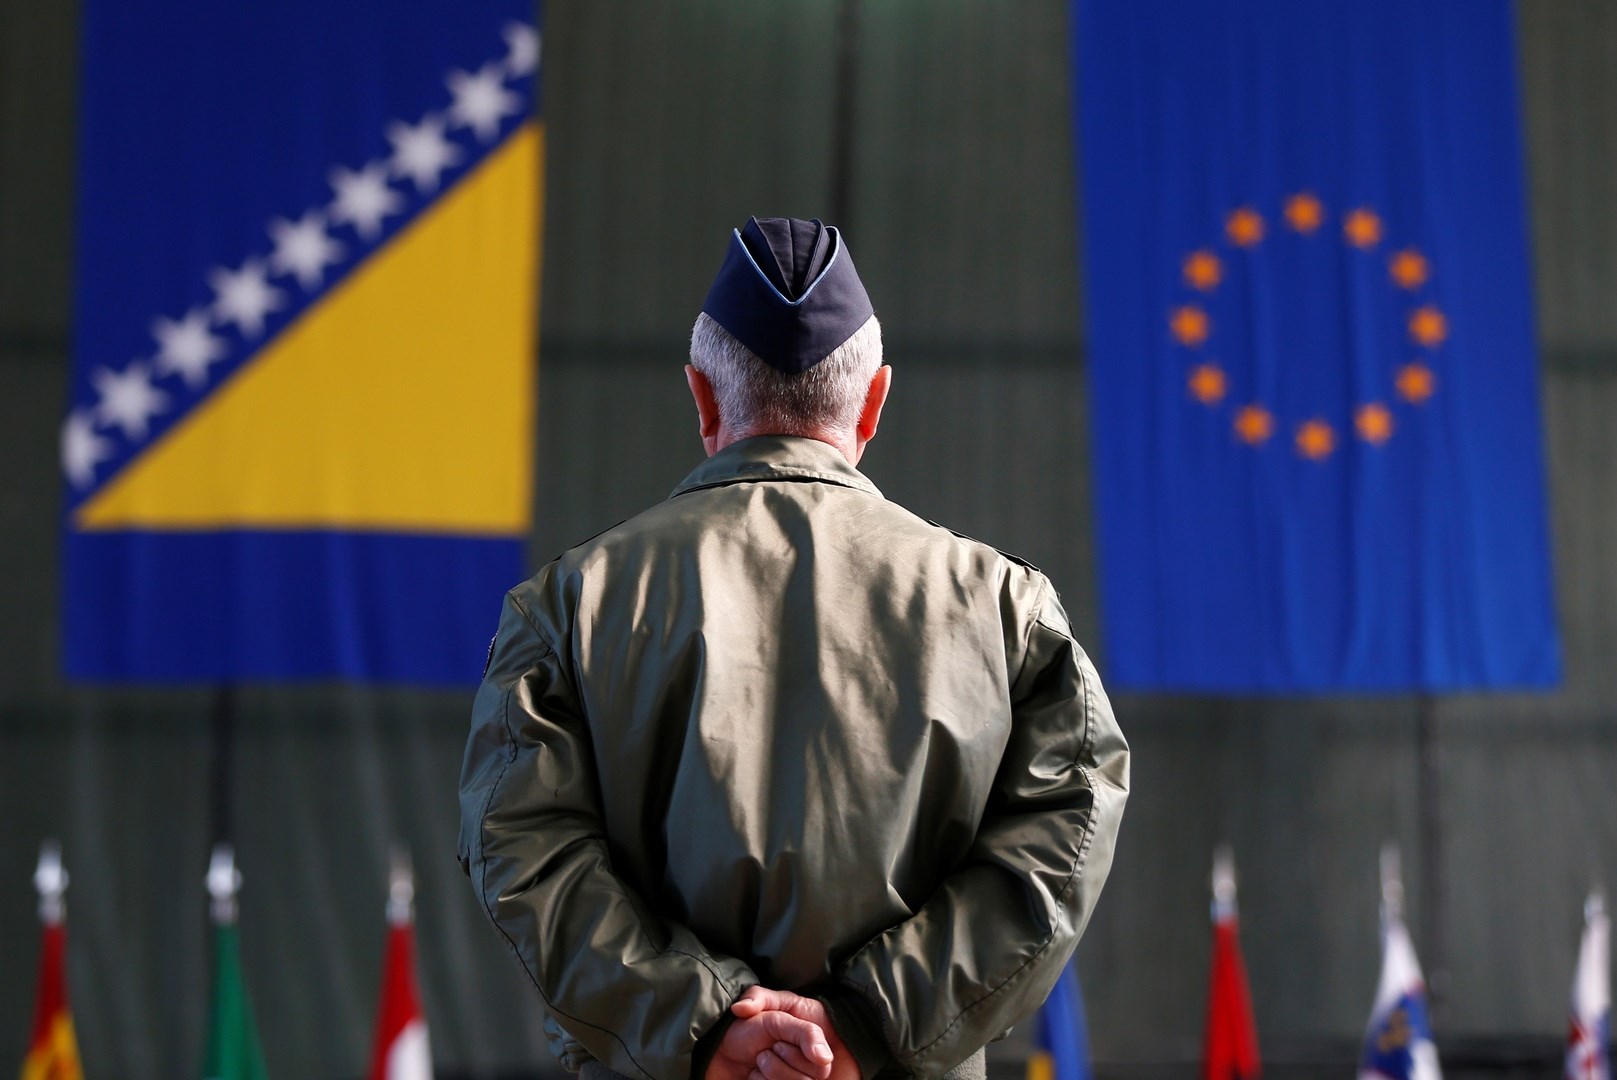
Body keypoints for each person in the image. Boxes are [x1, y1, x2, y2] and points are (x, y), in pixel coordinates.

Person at [458, 216, 1129, 1080]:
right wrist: (864, 1025)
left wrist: (705, 1027)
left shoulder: (568, 602)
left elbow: (520, 846)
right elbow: (1068, 826)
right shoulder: (1003, 607)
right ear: (874, 401)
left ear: (702, 397)